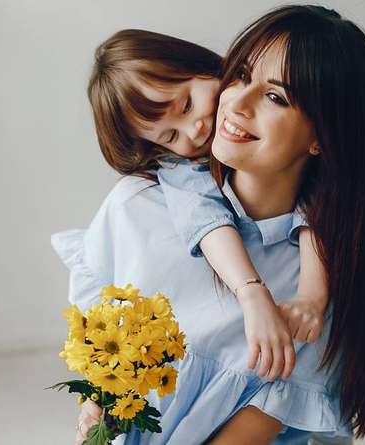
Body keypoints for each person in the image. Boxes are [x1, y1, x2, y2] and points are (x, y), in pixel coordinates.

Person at [53, 4, 365, 444]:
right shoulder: (138, 208)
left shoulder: (327, 269)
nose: (234, 103)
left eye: (276, 96)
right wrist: (94, 402)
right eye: (239, 75)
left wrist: (307, 295)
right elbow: (101, 326)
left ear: (323, 135)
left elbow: (273, 410)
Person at [87, 29, 333, 385]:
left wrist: (312, 297)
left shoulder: (264, 122)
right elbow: (207, 220)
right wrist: (251, 293)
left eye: (187, 105)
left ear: (203, 66)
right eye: (170, 136)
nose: (195, 130)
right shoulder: (184, 168)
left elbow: (319, 205)